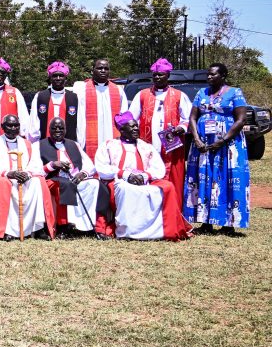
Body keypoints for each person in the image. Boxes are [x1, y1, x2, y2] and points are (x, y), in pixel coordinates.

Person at [95, 112, 191, 240]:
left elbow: (159, 168)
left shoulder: (146, 146)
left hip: (144, 181)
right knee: (125, 188)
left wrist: (145, 176)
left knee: (168, 186)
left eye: (136, 126)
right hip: (119, 181)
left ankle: (164, 230)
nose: (136, 128)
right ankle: (127, 231)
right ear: (122, 130)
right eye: (132, 126)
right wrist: (124, 174)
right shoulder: (109, 145)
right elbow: (102, 168)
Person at [184, 63, 250, 235]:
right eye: (208, 74)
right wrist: (197, 139)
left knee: (227, 179)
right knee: (204, 179)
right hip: (203, 146)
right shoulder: (201, 93)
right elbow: (192, 117)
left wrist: (222, 140)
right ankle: (206, 222)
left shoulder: (235, 93)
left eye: (213, 74)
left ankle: (228, 224)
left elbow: (240, 119)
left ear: (223, 75)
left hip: (228, 145)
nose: (209, 77)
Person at [129, 58, 191, 209]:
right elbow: (131, 118)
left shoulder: (178, 95)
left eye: (161, 74)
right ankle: (147, 210)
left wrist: (181, 128)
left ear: (168, 76)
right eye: (155, 75)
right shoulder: (142, 95)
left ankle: (173, 211)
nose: (157, 77)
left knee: (173, 178)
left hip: (172, 147)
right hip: (147, 145)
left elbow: (188, 118)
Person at [33, 118, 110, 239]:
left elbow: (89, 165)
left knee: (96, 185)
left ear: (65, 130)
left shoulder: (74, 144)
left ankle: (94, 228)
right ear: (49, 130)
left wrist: (83, 174)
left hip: (75, 179)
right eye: (54, 128)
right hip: (51, 181)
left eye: (61, 128)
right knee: (65, 185)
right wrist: (52, 165)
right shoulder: (38, 145)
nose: (58, 130)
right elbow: (34, 170)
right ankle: (64, 228)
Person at [0, 115, 55, 240]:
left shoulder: (27, 144)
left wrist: (27, 174)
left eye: (16, 125)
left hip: (24, 178)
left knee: (38, 181)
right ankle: (6, 230)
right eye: (9, 125)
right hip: (4, 178)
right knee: (4, 183)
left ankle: (37, 228)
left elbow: (36, 165)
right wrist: (8, 173)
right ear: (2, 127)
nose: (13, 128)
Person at [73, 58, 128, 159]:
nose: (103, 70)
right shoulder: (82, 90)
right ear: (93, 70)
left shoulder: (118, 91)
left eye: (106, 68)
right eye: (99, 68)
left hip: (112, 136)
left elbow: (124, 118)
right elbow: (78, 117)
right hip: (89, 138)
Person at [28, 61, 79, 143]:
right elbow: (34, 123)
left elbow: (80, 125)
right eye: (55, 76)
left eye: (61, 76)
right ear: (50, 78)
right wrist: (35, 144)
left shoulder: (74, 98)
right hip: (45, 144)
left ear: (65, 78)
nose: (58, 78)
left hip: (68, 144)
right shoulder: (40, 96)